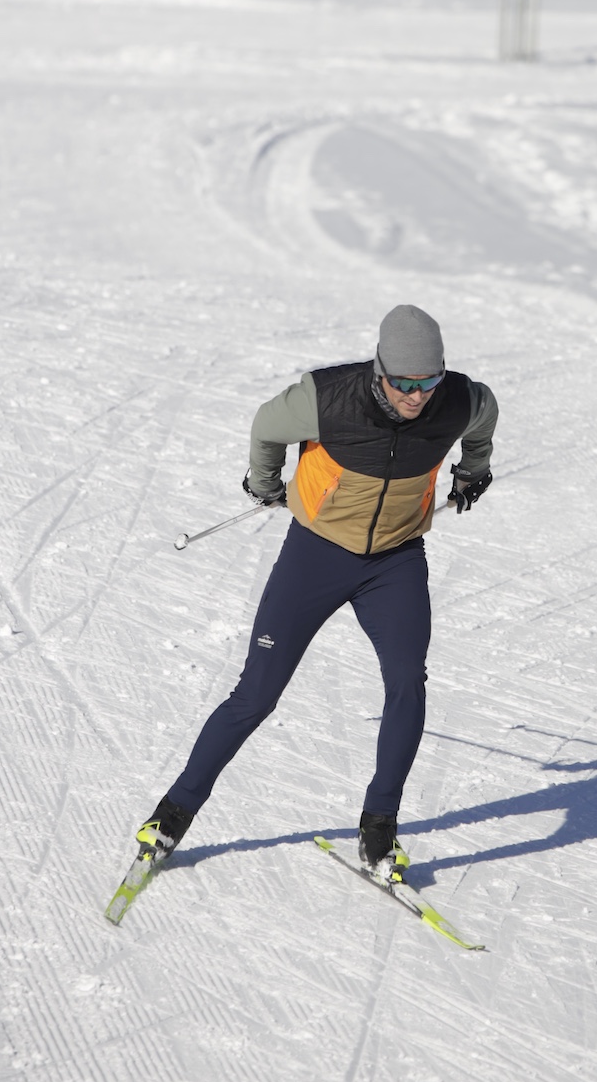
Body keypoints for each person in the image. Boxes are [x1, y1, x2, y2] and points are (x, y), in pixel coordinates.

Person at [130, 304, 498, 884]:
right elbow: (266, 426)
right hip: (316, 555)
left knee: (407, 681)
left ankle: (379, 828)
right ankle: (172, 814)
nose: (415, 396)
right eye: (402, 383)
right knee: (257, 693)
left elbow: (482, 420)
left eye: (426, 383)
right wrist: (264, 482)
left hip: (396, 560)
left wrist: (473, 470)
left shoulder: (461, 398)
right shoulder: (326, 397)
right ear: (379, 371)